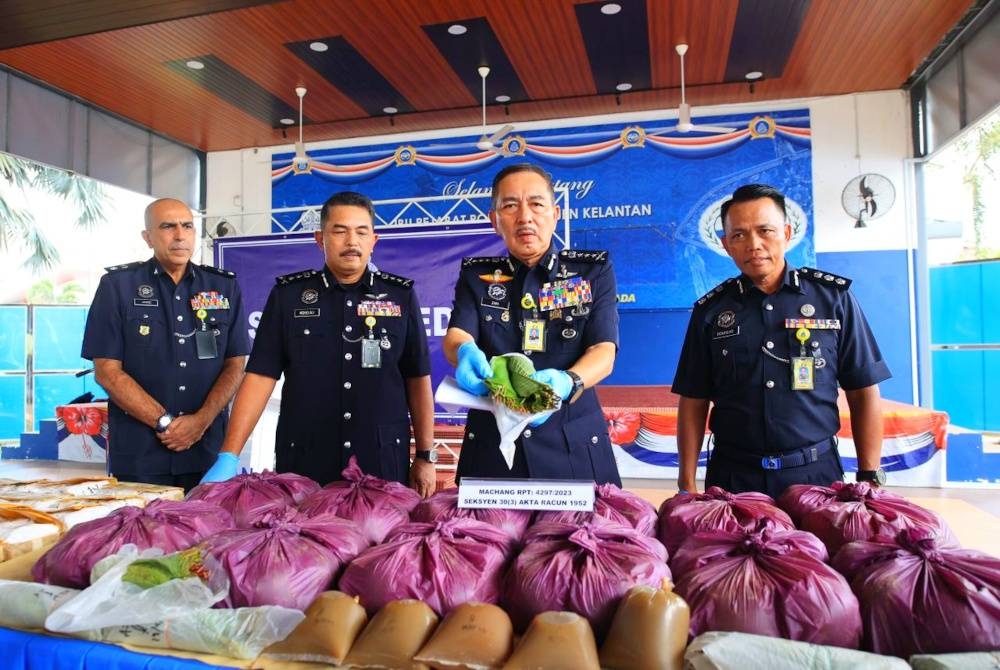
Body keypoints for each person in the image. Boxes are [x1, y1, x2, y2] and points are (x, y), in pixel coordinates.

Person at [203, 190, 437, 496]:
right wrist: (229, 454)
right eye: (339, 231)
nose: (352, 242)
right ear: (320, 238)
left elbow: (417, 380)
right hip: (305, 461)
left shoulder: (400, 296)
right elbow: (260, 376)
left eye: (361, 232)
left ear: (373, 241)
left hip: (381, 460)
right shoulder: (288, 296)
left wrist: (425, 455)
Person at [672, 183, 891, 498]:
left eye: (765, 231)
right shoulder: (711, 311)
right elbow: (693, 401)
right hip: (732, 479)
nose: (754, 244)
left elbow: (864, 390)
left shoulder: (833, 300)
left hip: (816, 476)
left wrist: (870, 475)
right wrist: (686, 484)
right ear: (725, 244)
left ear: (787, 233)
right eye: (739, 235)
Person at [443, 163, 621, 485]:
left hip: (572, 447)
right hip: (492, 448)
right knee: (483, 535)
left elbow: (603, 350)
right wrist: (464, 350)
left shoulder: (592, 272)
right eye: (510, 205)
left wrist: (568, 382)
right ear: (495, 220)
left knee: (582, 537)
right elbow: (458, 332)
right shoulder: (477, 276)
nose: (525, 216)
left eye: (536, 204)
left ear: (555, 214)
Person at [82, 198, 249, 491]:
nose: (180, 235)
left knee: (210, 534)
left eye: (187, 226)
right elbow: (107, 371)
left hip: (207, 449)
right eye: (168, 227)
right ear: (148, 237)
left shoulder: (223, 287)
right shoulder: (118, 286)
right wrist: (165, 423)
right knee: (144, 534)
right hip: (141, 453)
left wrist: (200, 422)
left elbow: (235, 364)